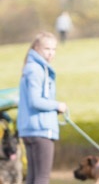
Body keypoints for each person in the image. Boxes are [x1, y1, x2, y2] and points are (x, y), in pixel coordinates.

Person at [18, 32, 66, 184]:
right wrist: (57, 105)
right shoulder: (36, 70)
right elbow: (35, 101)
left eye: (54, 49)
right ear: (36, 48)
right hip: (41, 129)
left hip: (30, 129)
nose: (51, 53)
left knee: (33, 177)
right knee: (42, 177)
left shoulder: (32, 68)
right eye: (47, 49)